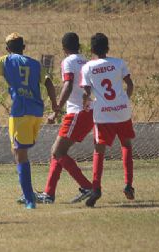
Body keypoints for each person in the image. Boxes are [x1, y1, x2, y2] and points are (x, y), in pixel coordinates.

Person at [0, 32, 58, 209]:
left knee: (19, 154)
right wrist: (55, 106)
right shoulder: (35, 64)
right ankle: (28, 193)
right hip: (36, 112)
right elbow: (48, 83)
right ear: (24, 47)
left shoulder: (6, 60)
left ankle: (29, 200)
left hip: (20, 112)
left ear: (7, 49)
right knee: (21, 152)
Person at [35, 32, 93, 204]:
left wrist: (56, 109)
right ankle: (49, 194)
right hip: (89, 112)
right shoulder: (87, 62)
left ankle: (87, 186)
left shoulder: (68, 61)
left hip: (77, 112)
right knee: (58, 152)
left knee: (57, 151)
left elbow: (68, 84)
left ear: (64, 48)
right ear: (79, 46)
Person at [80, 33, 136, 207]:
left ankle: (96, 188)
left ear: (91, 49)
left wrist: (86, 104)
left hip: (103, 114)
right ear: (108, 48)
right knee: (126, 145)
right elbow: (130, 85)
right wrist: (124, 100)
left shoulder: (88, 67)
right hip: (122, 111)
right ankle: (128, 184)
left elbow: (86, 92)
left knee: (99, 150)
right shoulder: (118, 63)